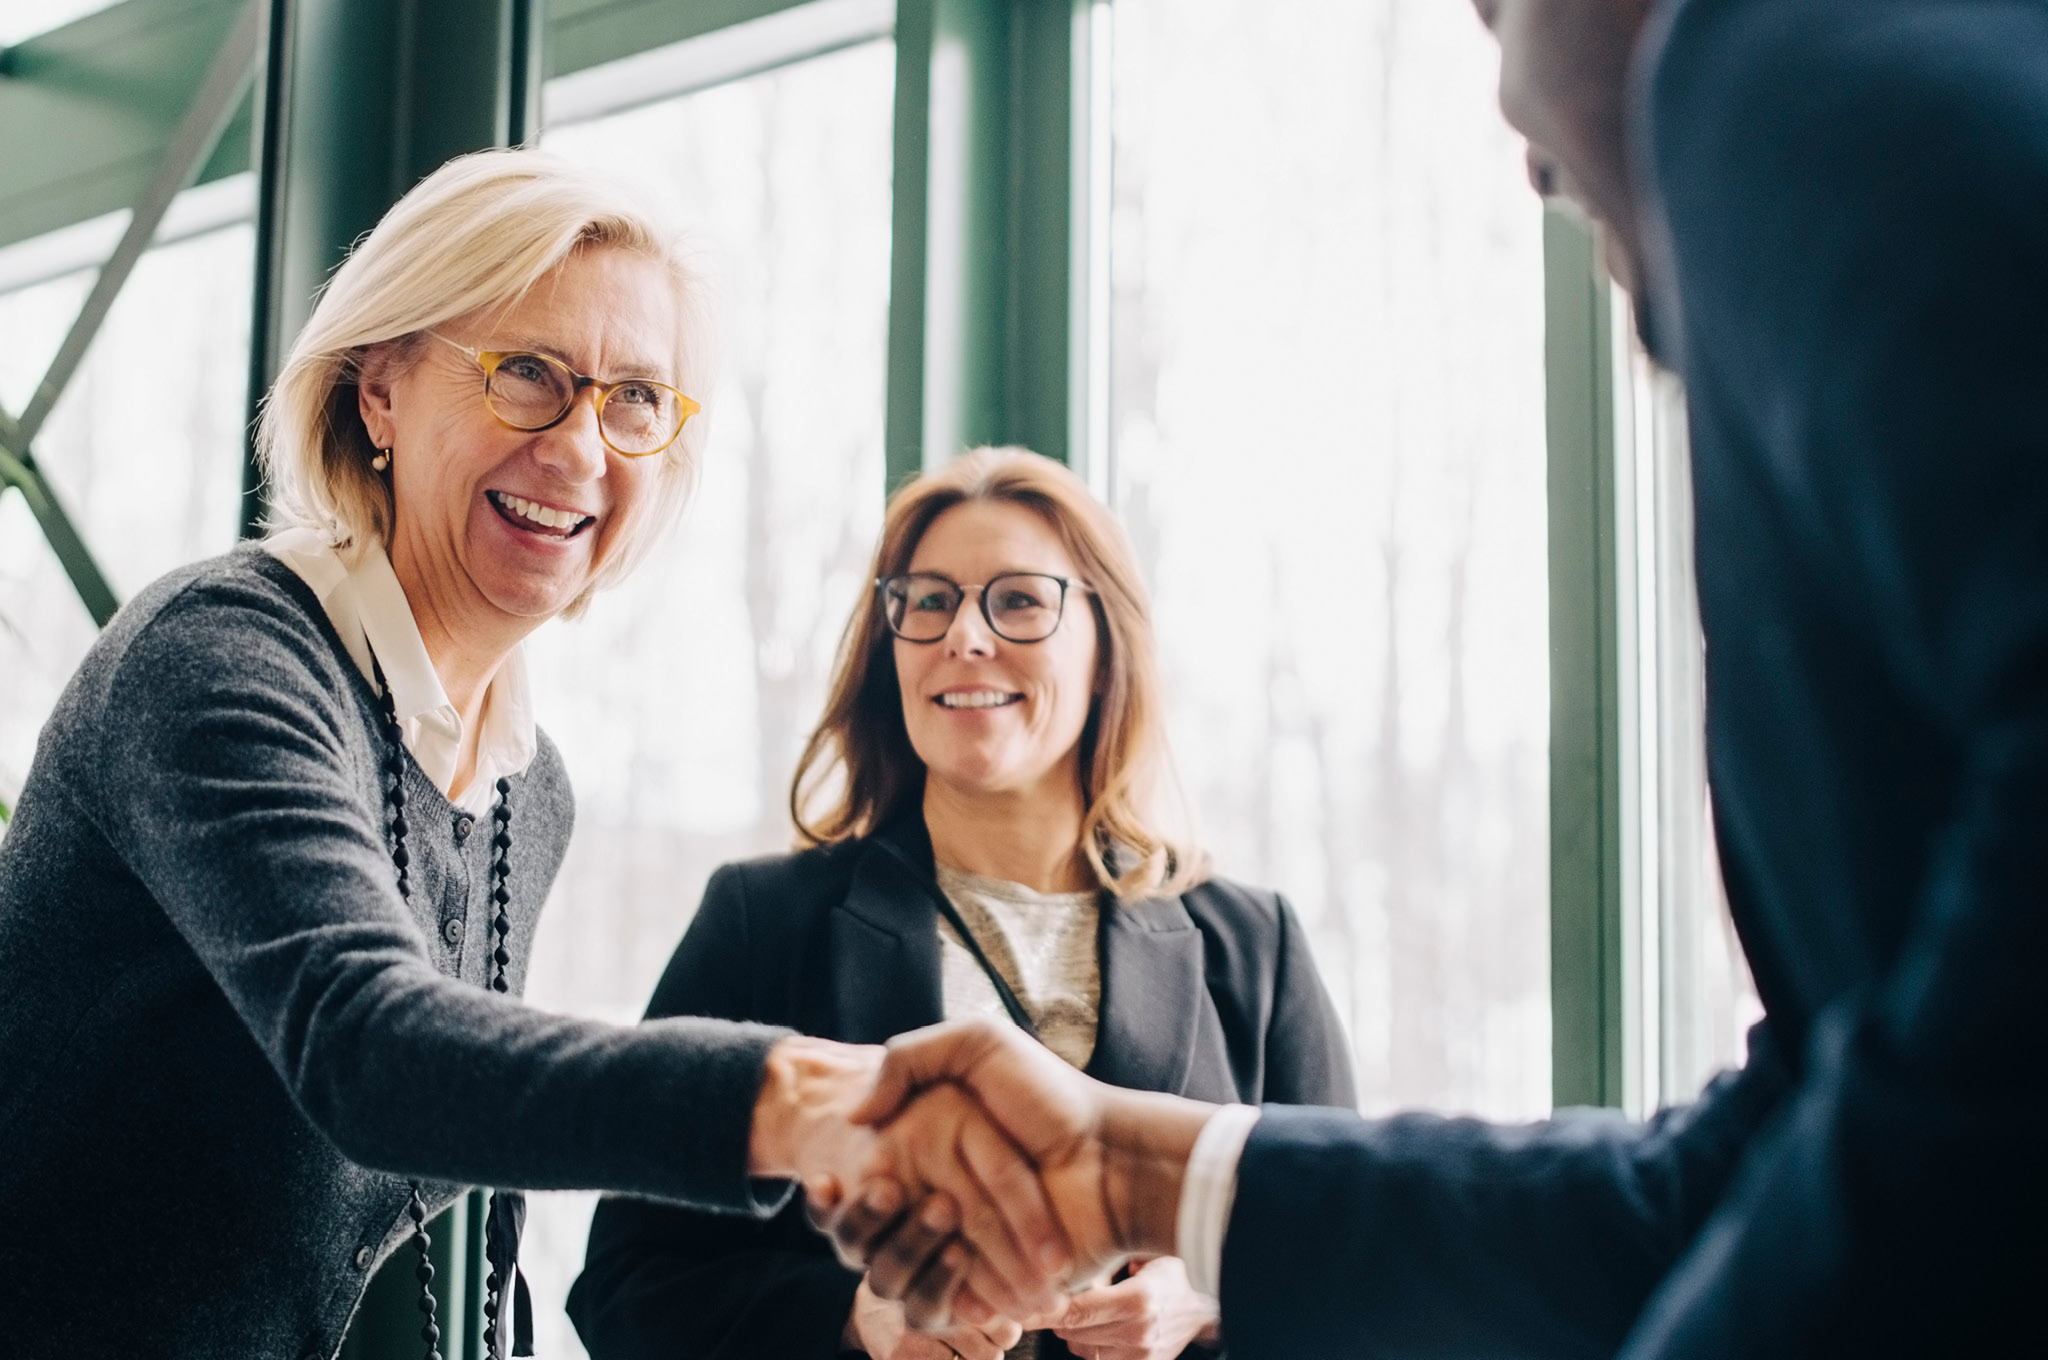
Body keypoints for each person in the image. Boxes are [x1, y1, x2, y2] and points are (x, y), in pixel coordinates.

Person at [820, 0, 2048, 1355]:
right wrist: (1139, 1175)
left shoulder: (1783, 61)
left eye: (1493, 5)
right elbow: (1755, 1166)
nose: (1521, 144)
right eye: (927, 604)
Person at [0, 151, 1070, 1360]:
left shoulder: (526, 786)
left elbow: (458, 1145)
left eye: (634, 401)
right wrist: (833, 1110)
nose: (580, 450)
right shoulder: (220, 658)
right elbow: (377, 1054)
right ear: (379, 392)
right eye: (525, 375)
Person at [566, 448, 1356, 1360]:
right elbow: (625, 1289)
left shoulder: (1257, 947)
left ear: (1105, 651)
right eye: (929, 601)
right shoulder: (762, 922)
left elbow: (1362, 1271)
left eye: (1019, 600)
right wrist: (854, 1323)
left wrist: (1209, 1305)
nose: (965, 636)